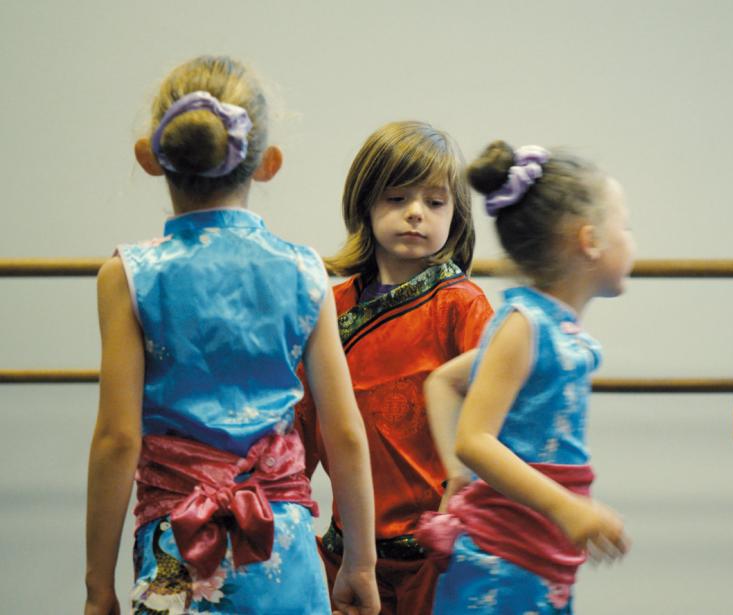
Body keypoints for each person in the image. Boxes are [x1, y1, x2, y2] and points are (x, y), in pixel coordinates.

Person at [83, 55, 379, 615]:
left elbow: (117, 440)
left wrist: (98, 586)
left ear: (150, 157)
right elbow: (343, 432)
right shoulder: (304, 271)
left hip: (177, 542)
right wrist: (360, 563)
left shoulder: (127, 278)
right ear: (268, 164)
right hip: (281, 544)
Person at [416, 141, 633, 614]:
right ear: (590, 240)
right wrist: (565, 506)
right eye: (625, 227)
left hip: (536, 551)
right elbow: (474, 439)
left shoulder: (551, 329)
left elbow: (443, 381)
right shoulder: (523, 326)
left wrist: (458, 479)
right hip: (502, 559)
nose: (631, 240)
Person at [294, 121, 493, 614]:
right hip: (347, 550)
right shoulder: (329, 306)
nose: (415, 213)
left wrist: (462, 503)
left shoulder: (462, 305)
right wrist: (283, 512)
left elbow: (496, 421)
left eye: (435, 202)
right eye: (397, 197)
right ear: (364, 203)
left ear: (456, 216)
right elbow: (300, 425)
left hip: (440, 551)